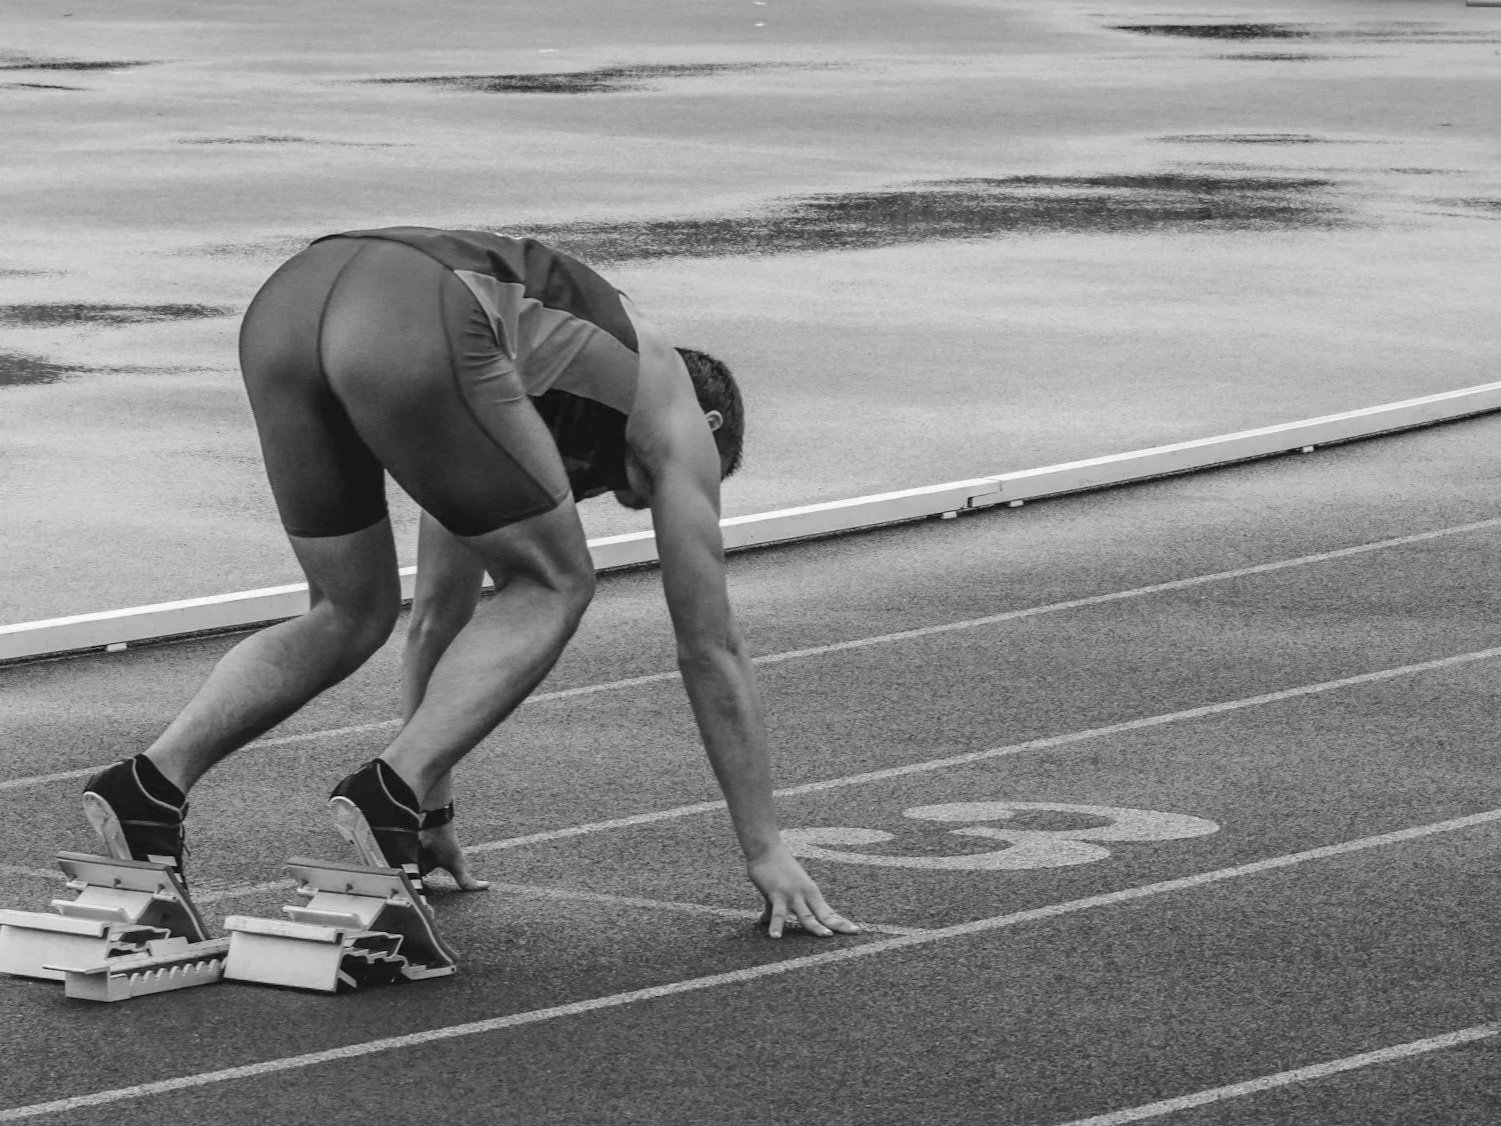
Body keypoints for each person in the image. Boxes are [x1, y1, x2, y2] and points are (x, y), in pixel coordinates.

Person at [79, 226, 859, 940]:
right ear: (712, 428)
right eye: (648, 490)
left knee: (350, 609)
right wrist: (765, 847)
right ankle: (384, 796)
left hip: (289, 307)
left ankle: (149, 787)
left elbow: (441, 617)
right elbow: (710, 646)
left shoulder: (506, 395)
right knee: (558, 581)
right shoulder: (672, 400)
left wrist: (430, 806)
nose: (631, 501)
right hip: (410, 309)